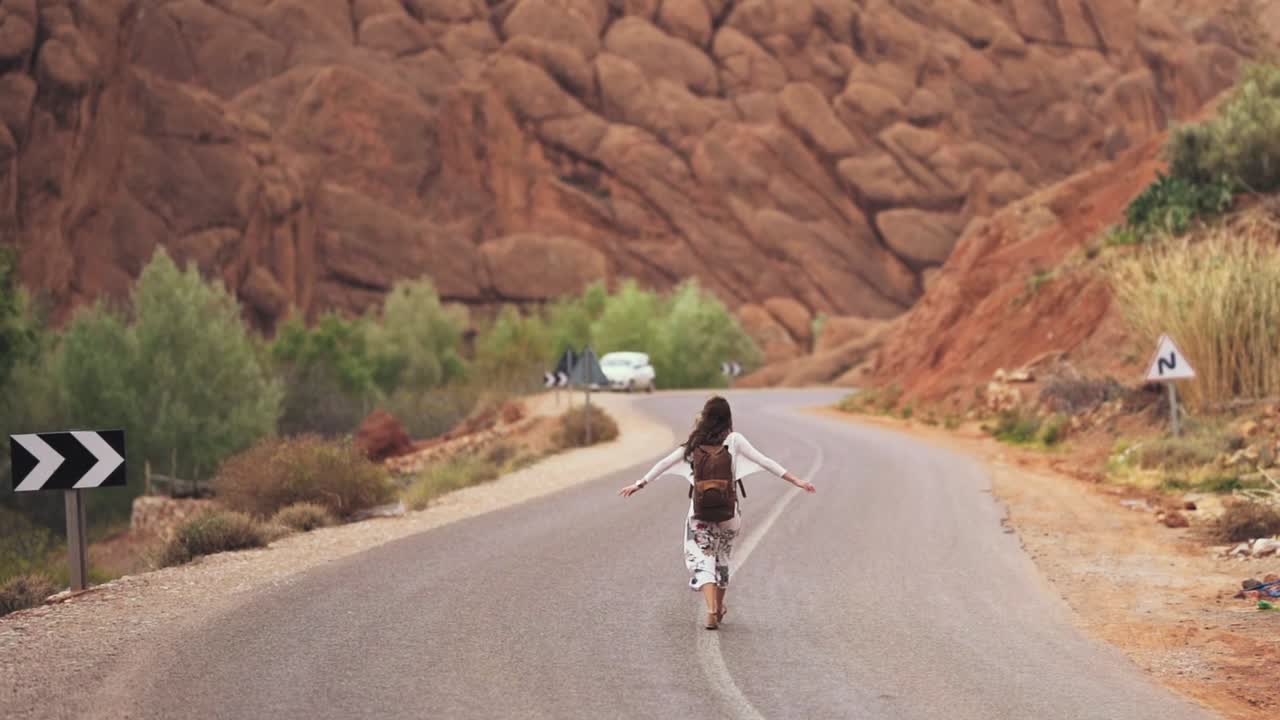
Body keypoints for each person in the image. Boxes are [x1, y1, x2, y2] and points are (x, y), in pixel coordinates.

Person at [619, 396, 817, 629]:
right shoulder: (734, 440)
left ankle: (712, 609)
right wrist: (797, 480)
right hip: (729, 513)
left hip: (700, 514)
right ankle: (720, 608)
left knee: (702, 560)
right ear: (727, 417)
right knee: (722, 559)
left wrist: (640, 483)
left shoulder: (694, 444)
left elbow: (664, 463)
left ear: (705, 417)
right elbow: (765, 462)